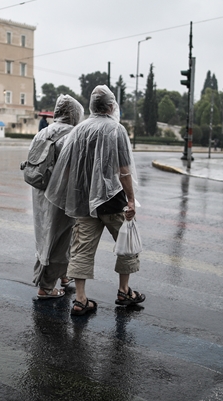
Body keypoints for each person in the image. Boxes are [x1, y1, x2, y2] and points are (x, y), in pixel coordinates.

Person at [46, 85, 144, 317]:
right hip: (113, 201)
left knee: (81, 248)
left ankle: (80, 299)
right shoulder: (116, 130)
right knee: (125, 243)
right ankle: (124, 290)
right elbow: (124, 170)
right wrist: (131, 200)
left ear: (92, 106)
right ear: (111, 106)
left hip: (84, 201)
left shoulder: (79, 130)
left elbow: (68, 167)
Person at [30, 95, 84, 299]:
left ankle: (62, 276)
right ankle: (46, 287)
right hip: (61, 195)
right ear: (74, 114)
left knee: (44, 235)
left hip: (40, 191)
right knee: (61, 238)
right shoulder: (73, 135)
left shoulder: (43, 132)